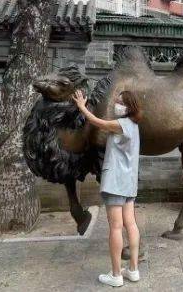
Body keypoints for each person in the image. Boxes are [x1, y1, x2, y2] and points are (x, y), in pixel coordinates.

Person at [72, 89, 142, 288]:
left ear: (129, 106)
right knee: (131, 224)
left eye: (120, 102)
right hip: (129, 182)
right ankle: (133, 270)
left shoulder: (122, 124)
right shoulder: (135, 126)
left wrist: (82, 107)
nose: (116, 105)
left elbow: (98, 122)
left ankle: (116, 274)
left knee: (116, 227)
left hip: (116, 183)